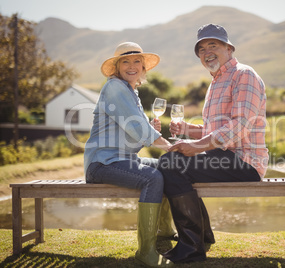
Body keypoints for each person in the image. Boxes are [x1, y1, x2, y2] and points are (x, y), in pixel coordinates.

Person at [158, 24, 269, 263]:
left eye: (213, 45)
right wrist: (190, 130)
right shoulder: (216, 81)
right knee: (172, 161)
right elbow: (214, 131)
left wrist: (196, 146)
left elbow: (240, 126)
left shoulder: (244, 74)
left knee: (171, 163)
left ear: (229, 48)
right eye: (201, 49)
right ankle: (202, 237)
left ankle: (191, 246)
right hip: (227, 157)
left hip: (245, 162)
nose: (206, 51)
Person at [84, 42, 174, 267]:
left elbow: (135, 130)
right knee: (152, 178)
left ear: (144, 68)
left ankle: (164, 231)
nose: (132, 65)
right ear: (117, 67)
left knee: (167, 166)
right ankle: (146, 251)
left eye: (137, 61)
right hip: (102, 162)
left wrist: (152, 132)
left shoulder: (130, 91)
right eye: (126, 61)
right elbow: (139, 130)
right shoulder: (115, 87)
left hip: (123, 160)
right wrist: (171, 148)